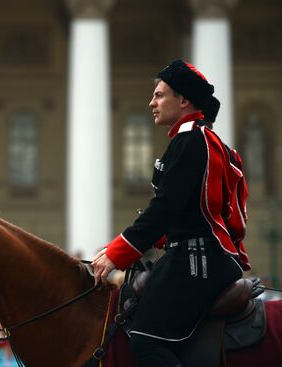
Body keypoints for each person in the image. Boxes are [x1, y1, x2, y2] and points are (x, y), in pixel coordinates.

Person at [92, 60, 251, 367]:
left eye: (159, 95)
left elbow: (166, 208)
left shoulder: (191, 141)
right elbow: (186, 212)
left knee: (145, 339)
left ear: (183, 100)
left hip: (197, 262)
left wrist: (118, 252)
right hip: (197, 257)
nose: (152, 103)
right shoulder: (196, 140)